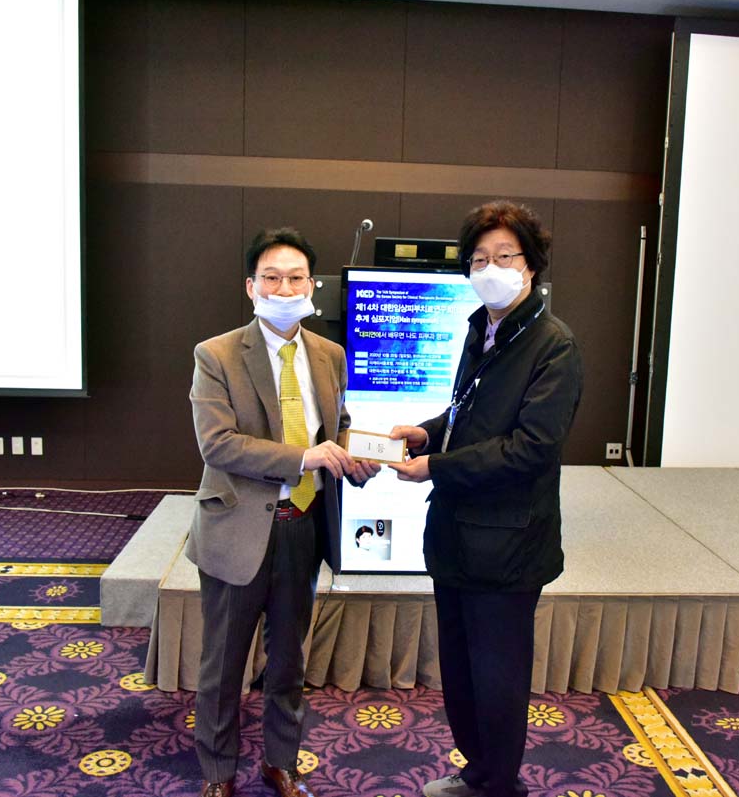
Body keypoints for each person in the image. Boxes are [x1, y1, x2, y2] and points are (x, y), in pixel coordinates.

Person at [389, 201, 584, 797]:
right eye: (479, 260)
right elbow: (468, 414)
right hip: (458, 534)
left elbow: (531, 447)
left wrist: (436, 467)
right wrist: (427, 432)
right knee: (462, 671)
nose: (490, 269)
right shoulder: (484, 327)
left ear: (532, 266)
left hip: (507, 544)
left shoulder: (553, 345)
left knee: (497, 678)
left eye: (504, 257)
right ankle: (476, 773)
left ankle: (498, 785)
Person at [187, 227, 380, 797]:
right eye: (271, 278)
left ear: (312, 285)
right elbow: (218, 444)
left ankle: (280, 762)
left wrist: (355, 457)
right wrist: (304, 457)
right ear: (251, 287)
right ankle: (218, 774)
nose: (284, 288)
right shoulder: (216, 354)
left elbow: (336, 426)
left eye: (296, 278)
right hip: (238, 528)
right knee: (223, 666)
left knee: (289, 662)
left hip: (304, 526)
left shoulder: (330, 354)